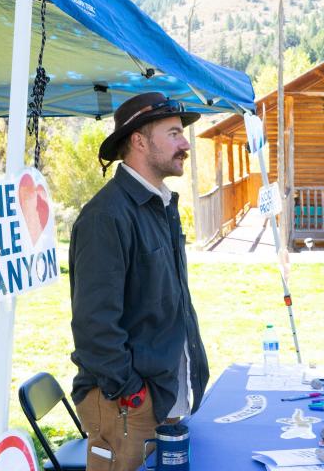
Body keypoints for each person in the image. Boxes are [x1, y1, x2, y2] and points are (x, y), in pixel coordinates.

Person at [69, 92, 210, 471]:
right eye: (174, 133)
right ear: (139, 141)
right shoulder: (106, 215)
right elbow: (94, 325)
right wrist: (133, 394)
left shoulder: (160, 204)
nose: (185, 145)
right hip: (126, 407)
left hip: (164, 395)